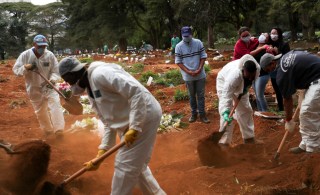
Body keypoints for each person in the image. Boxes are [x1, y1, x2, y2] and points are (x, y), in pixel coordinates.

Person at [57, 57, 166, 195]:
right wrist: (102, 151)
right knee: (137, 168)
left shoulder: (101, 74)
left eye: (68, 80)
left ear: (74, 74)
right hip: (131, 122)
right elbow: (109, 122)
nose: (70, 85)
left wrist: (135, 126)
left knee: (124, 165)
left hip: (144, 116)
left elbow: (136, 92)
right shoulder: (90, 87)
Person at [260, 51, 320, 154]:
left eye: (268, 70)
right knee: (304, 113)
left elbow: (287, 99)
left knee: (308, 112)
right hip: (319, 77)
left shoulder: (282, 73)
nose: (269, 73)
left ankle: (313, 148)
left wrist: (288, 120)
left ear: (272, 63)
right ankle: (305, 144)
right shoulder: (286, 57)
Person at [12, 34, 64, 137]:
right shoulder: (25, 55)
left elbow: (56, 71)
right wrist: (25, 67)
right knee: (40, 111)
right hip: (33, 87)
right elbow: (16, 71)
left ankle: (59, 130)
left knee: (55, 105)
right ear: (34, 44)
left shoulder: (49, 55)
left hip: (49, 85)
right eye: (39, 46)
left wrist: (53, 80)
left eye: (44, 46)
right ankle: (48, 130)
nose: (42, 48)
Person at [216, 54, 262, 145]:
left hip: (242, 88)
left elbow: (250, 79)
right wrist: (225, 110)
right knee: (227, 114)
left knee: (245, 109)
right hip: (224, 81)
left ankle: (249, 138)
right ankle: (224, 143)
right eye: (248, 76)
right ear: (243, 70)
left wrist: (245, 88)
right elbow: (226, 95)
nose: (250, 78)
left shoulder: (257, 69)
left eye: (251, 77)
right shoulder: (234, 77)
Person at [175, 26, 210, 123]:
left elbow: (203, 56)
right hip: (188, 76)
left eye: (188, 35)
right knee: (191, 96)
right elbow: (178, 62)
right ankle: (194, 114)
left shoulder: (198, 43)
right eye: (184, 36)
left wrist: (199, 68)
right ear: (182, 35)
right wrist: (188, 71)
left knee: (201, 95)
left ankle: (202, 115)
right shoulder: (178, 46)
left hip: (200, 75)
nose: (186, 37)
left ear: (191, 34)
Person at [268, 27, 290, 111]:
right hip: (273, 70)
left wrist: (278, 52)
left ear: (279, 34)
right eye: (272, 33)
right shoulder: (269, 45)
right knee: (277, 90)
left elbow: (287, 57)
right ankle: (281, 108)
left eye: (275, 33)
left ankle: (288, 106)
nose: (273, 35)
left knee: (283, 89)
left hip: (282, 70)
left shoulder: (284, 44)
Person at [253, 33, 276, 111]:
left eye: (265, 35)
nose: (262, 35)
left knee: (260, 95)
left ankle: (265, 111)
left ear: (267, 39)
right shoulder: (255, 47)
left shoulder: (268, 48)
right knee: (257, 95)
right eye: (262, 34)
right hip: (255, 75)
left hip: (263, 74)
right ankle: (260, 111)